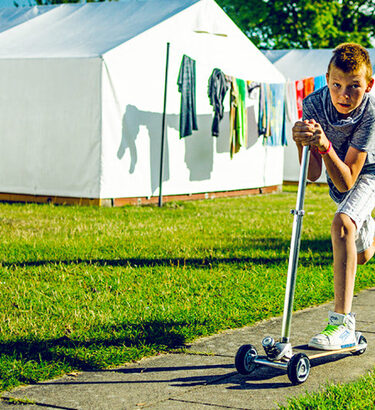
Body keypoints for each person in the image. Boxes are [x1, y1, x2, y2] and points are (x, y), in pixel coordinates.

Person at [292, 43, 375, 350]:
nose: (344, 95)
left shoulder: (371, 111)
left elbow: (348, 180)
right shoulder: (313, 103)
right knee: (362, 254)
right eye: (337, 85)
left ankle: (343, 326)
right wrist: (301, 141)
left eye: (354, 86)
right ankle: (369, 229)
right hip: (334, 168)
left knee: (342, 224)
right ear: (326, 78)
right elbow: (312, 174)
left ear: (369, 84)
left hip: (368, 173)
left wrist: (324, 144)